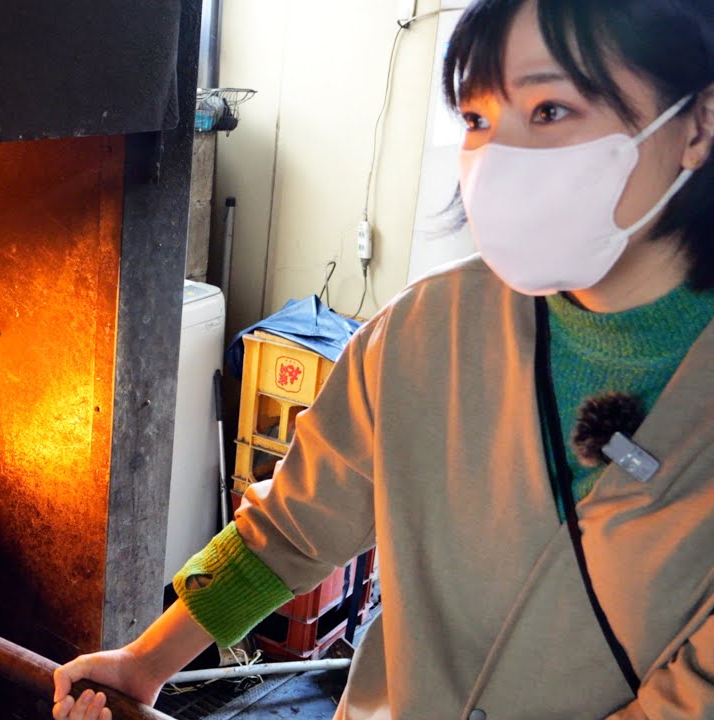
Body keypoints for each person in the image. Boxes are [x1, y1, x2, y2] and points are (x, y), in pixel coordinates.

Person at [53, 0, 714, 717]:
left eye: (551, 110)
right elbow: (294, 527)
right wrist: (146, 663)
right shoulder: (429, 328)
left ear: (697, 125)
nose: (499, 161)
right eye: (477, 119)